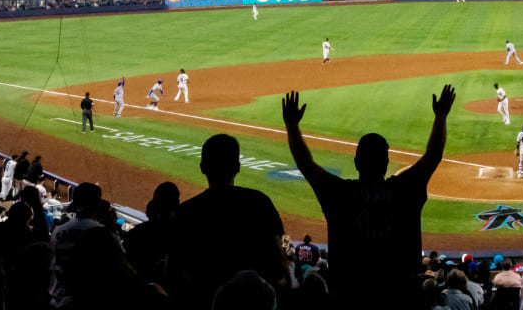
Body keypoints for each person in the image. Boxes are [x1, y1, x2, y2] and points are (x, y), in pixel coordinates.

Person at [281, 84, 457, 305]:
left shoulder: (340, 194)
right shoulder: (404, 189)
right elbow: (433, 156)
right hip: (402, 296)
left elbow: (306, 164)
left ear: (356, 163)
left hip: (351, 295)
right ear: (386, 163)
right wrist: (441, 116)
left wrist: (292, 126)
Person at [167, 134, 287, 306]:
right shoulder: (260, 202)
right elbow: (280, 261)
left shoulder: (185, 212)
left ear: (202, 167)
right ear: (237, 167)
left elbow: (173, 274)